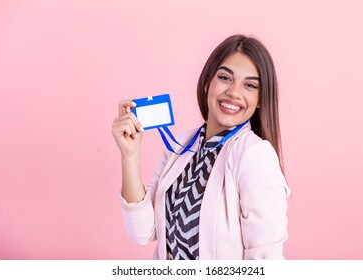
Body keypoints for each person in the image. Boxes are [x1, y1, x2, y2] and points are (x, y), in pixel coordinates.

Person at [112, 34, 290, 260]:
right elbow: (142, 233)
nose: (234, 92)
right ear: (207, 82)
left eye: (250, 85)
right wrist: (130, 155)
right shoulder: (180, 146)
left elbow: (267, 259)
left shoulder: (255, 155)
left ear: (261, 99)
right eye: (225, 78)